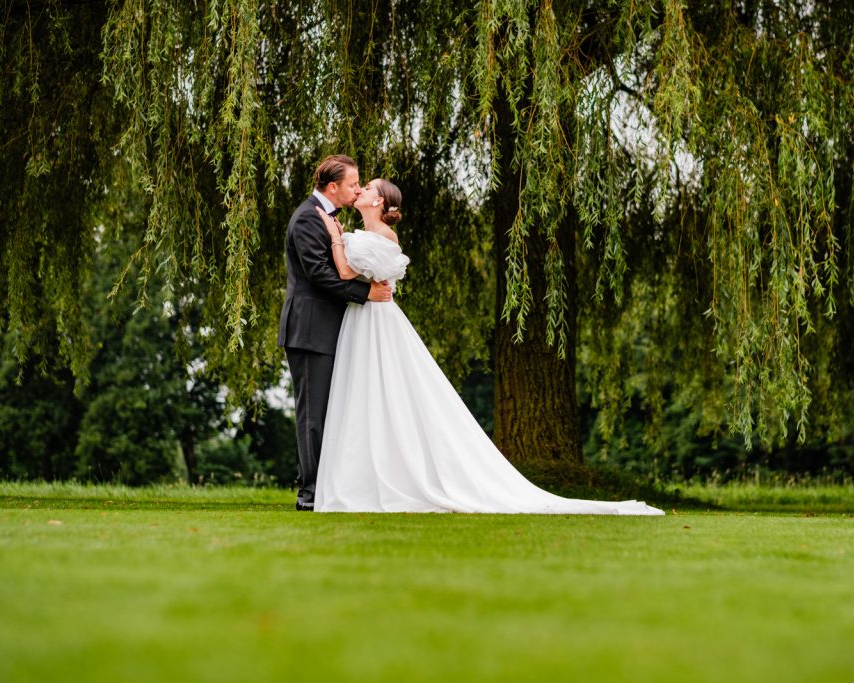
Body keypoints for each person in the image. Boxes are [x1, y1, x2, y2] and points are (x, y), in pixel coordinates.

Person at [312, 178, 664, 515]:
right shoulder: (364, 233)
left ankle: (389, 478)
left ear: (379, 201)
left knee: (387, 391)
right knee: (366, 394)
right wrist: (343, 239)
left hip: (376, 321)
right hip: (363, 319)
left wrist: (335, 239)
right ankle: (368, 475)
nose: (360, 190)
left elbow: (344, 273)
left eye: (368, 187)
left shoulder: (382, 235)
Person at [277, 155, 394, 511]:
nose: (357, 189)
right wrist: (365, 294)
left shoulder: (330, 220)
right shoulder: (307, 219)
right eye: (352, 184)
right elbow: (319, 275)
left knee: (331, 412)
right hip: (310, 330)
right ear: (332, 187)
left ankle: (327, 487)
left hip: (331, 329)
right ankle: (309, 494)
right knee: (313, 415)